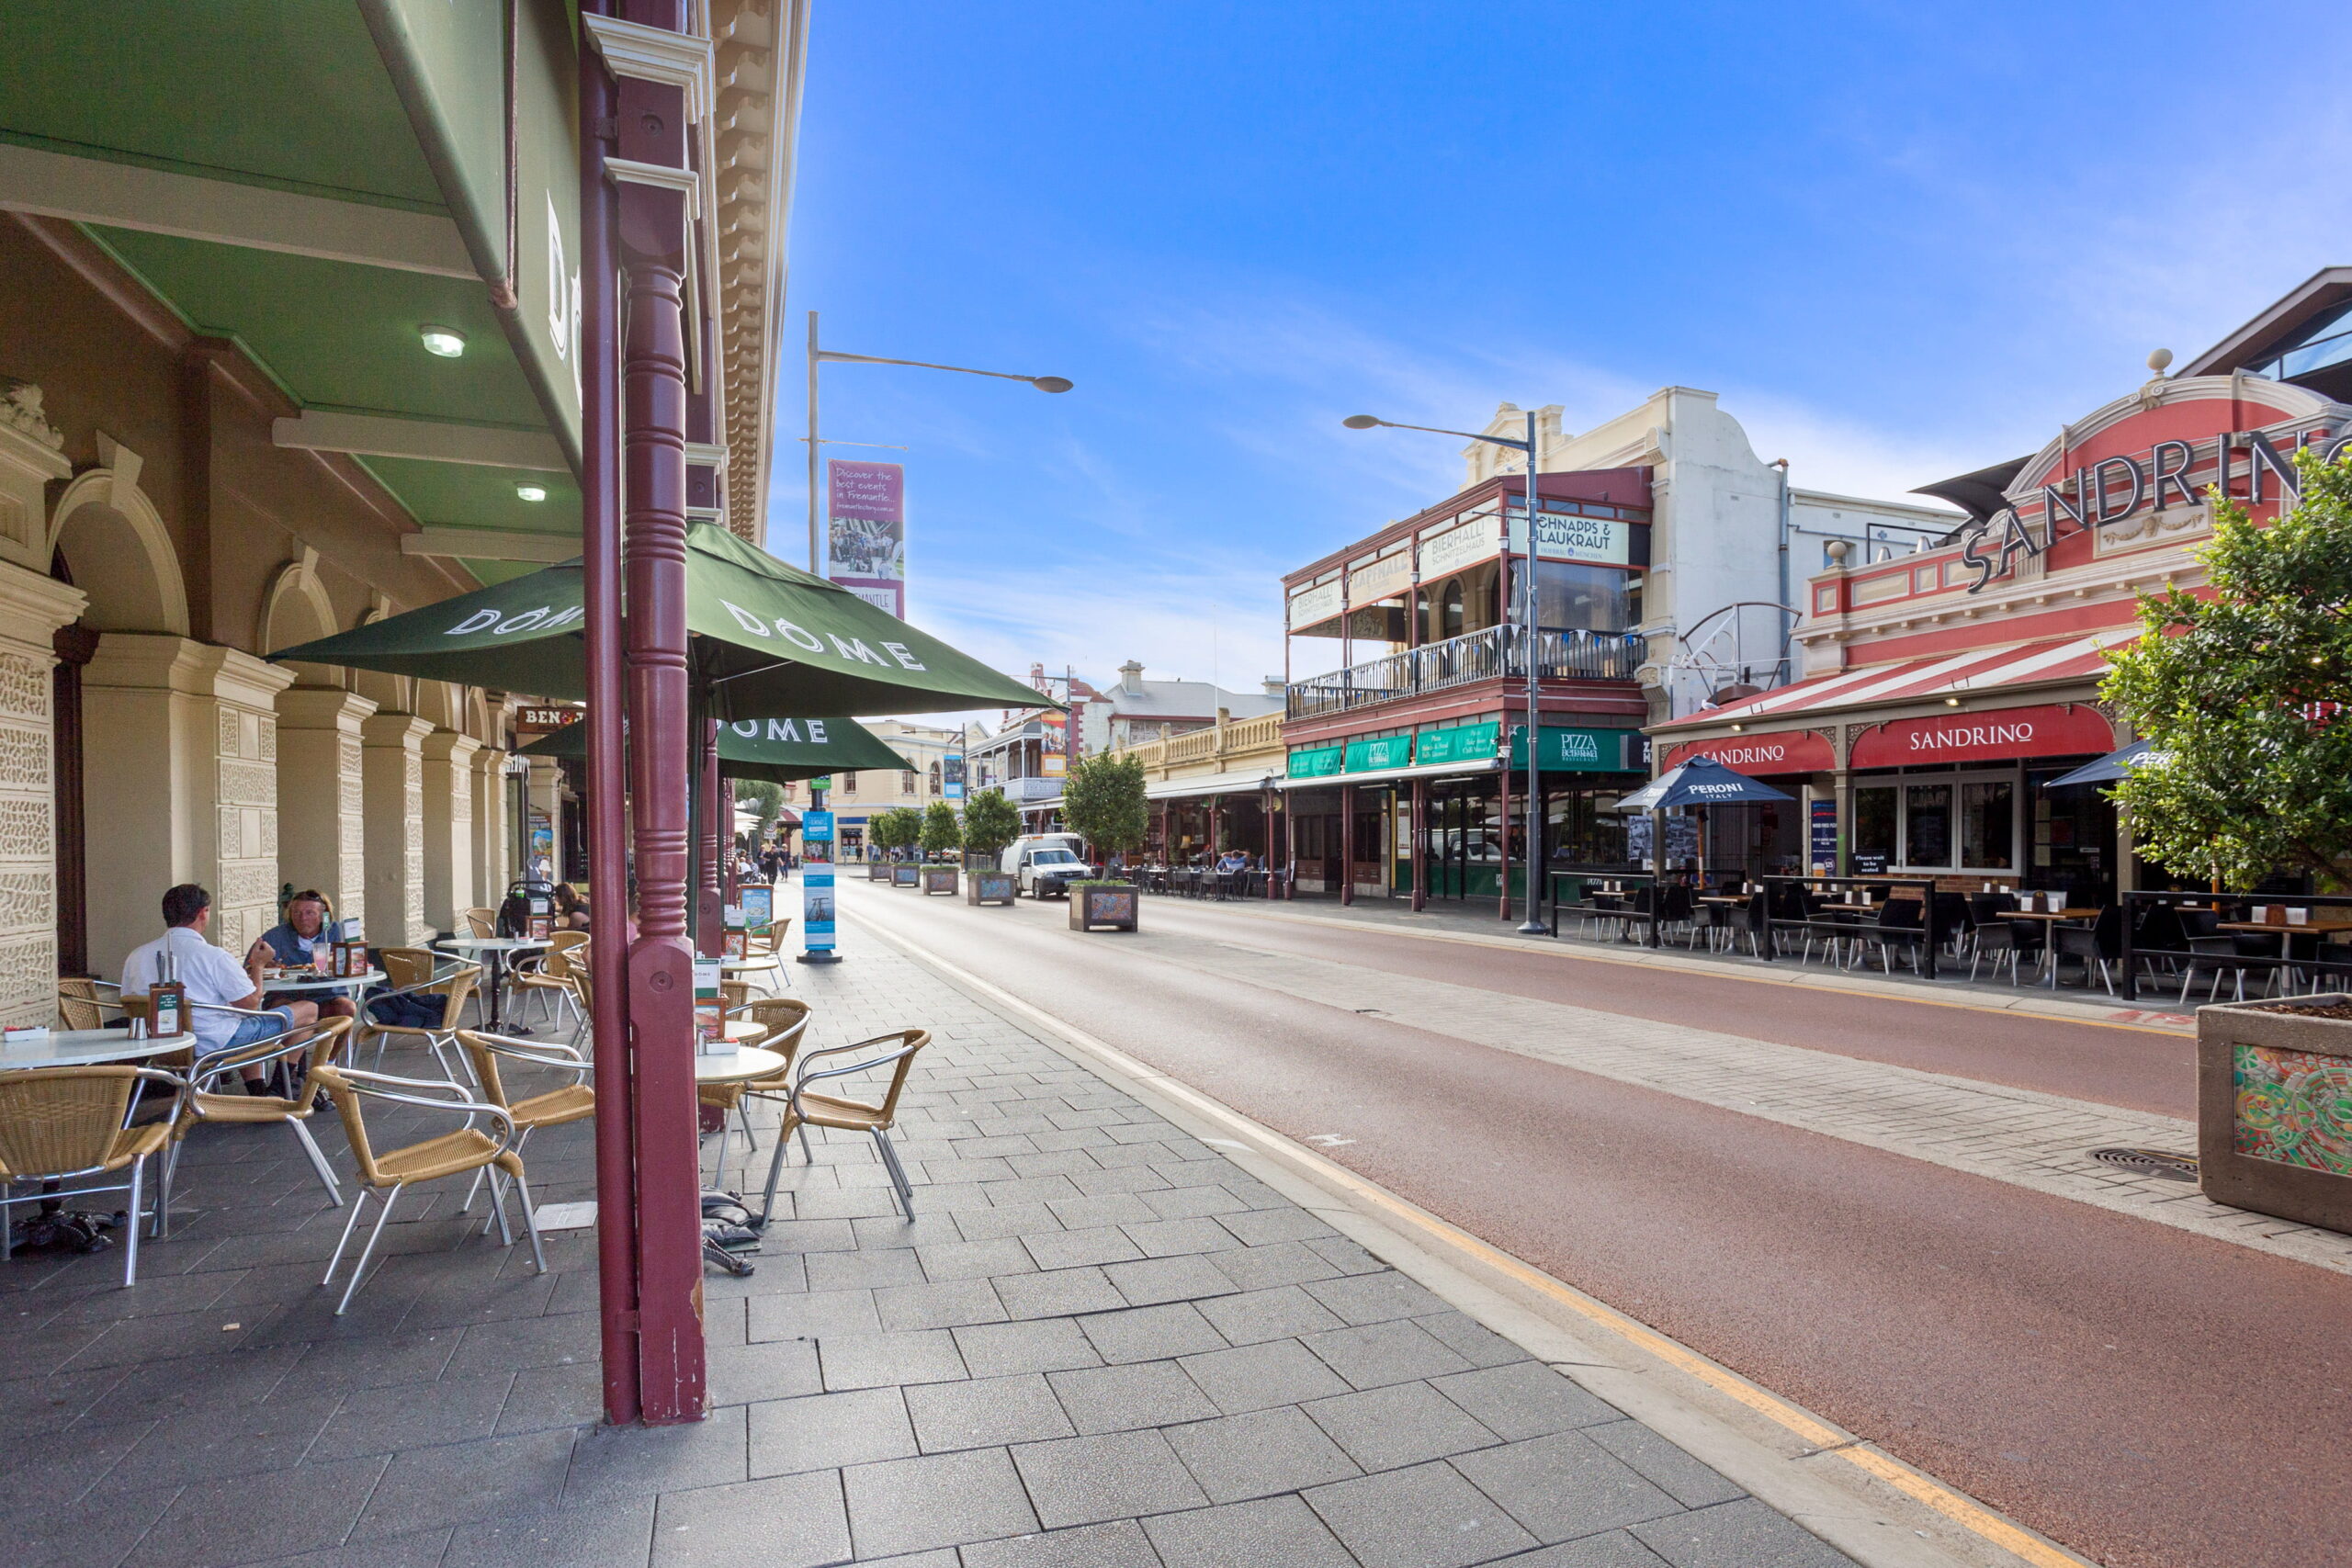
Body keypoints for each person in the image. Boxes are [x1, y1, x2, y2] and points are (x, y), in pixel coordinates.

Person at [123, 884, 317, 1090]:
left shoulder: (137, 956)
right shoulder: (212, 956)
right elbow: (250, 1004)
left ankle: (258, 1089)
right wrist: (258, 965)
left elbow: (128, 1000)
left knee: (241, 1022)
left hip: (159, 1047)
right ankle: (280, 1085)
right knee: (309, 1009)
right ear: (202, 913)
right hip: (213, 1046)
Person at [246, 890, 356, 1023]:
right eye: (297, 913)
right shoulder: (275, 936)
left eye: (310, 913)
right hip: (286, 996)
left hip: (327, 995)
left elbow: (355, 962)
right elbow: (248, 968)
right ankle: (290, 1045)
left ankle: (333, 1045)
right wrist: (264, 965)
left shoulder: (336, 932)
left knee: (346, 1008)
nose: (303, 918)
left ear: (323, 916)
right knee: (285, 1009)